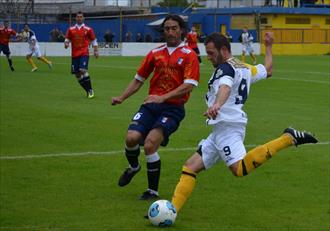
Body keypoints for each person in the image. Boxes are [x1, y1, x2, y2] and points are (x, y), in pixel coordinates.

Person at [169, 32, 318, 215]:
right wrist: (269, 47)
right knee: (190, 167)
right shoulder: (244, 67)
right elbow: (268, 70)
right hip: (220, 129)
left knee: (239, 169)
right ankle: (171, 211)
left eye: (210, 53)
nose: (208, 57)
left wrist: (217, 104)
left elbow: (225, 86)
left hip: (228, 127)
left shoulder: (225, 69)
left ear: (223, 50)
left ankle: (288, 138)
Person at [112, 14, 200, 200]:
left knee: (151, 144)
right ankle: (134, 167)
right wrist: (122, 97)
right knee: (131, 138)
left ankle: (152, 191)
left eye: (174, 28)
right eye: (167, 28)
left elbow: (189, 85)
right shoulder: (155, 53)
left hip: (173, 109)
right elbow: (139, 80)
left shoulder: (189, 55)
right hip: (151, 105)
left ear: (181, 30)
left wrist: (163, 98)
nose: (170, 32)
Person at [64, 11, 98, 99]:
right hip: (74, 54)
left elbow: (94, 40)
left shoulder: (88, 29)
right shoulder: (71, 29)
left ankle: (90, 90)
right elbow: (67, 38)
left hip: (84, 53)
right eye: (78, 17)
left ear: (83, 18)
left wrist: (96, 50)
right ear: (76, 18)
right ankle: (88, 90)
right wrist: (66, 43)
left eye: (81, 17)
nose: (79, 18)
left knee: (83, 70)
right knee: (77, 74)